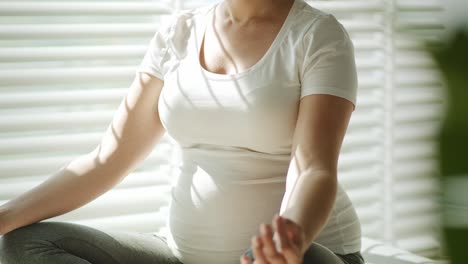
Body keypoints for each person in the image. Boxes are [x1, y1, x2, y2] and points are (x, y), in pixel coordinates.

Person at [0, 0, 365, 263]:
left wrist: (291, 235)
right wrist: (6, 215)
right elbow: (108, 158)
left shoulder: (316, 35)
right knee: (26, 244)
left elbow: (314, 167)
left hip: (300, 254)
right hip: (181, 254)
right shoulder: (179, 33)